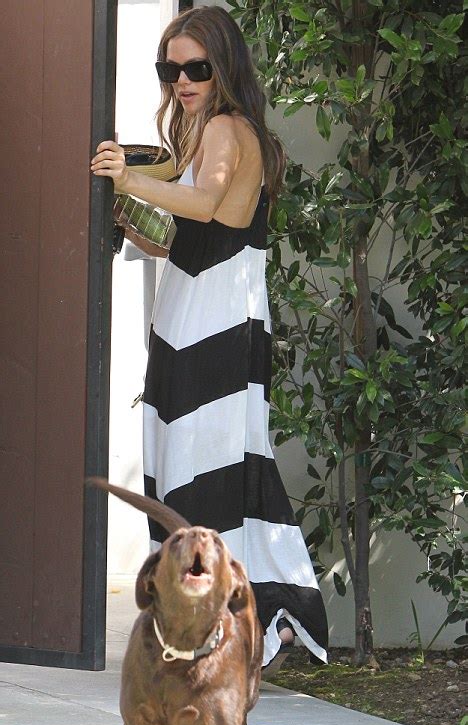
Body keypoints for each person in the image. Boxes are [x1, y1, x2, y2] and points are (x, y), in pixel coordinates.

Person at [91, 4, 328, 672]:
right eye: (171, 70)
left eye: (195, 68)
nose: (183, 81)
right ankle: (247, 623)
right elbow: (196, 234)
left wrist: (131, 178)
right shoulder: (204, 131)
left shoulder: (226, 127)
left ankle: (255, 620)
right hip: (195, 321)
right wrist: (135, 209)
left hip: (217, 328)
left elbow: (209, 203)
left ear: (223, 65)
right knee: (199, 472)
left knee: (207, 476)